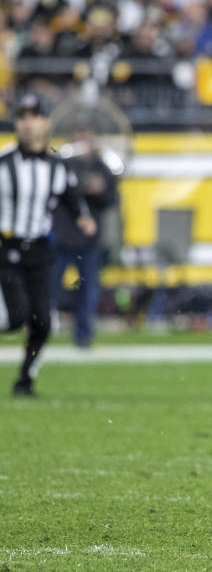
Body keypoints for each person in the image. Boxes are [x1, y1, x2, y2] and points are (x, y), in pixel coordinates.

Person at [2, 95, 96, 396]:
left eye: (35, 117)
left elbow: (71, 197)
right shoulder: (4, 163)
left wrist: (83, 218)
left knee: (43, 322)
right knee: (15, 317)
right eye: (23, 117)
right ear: (16, 123)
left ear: (46, 123)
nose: (29, 124)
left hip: (40, 250)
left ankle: (25, 379)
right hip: (5, 248)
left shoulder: (57, 166)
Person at [51, 127, 119, 348]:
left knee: (88, 292)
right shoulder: (62, 164)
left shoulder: (102, 167)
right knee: (52, 289)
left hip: (90, 242)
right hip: (62, 238)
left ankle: (83, 336)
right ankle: (43, 330)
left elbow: (111, 199)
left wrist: (101, 190)